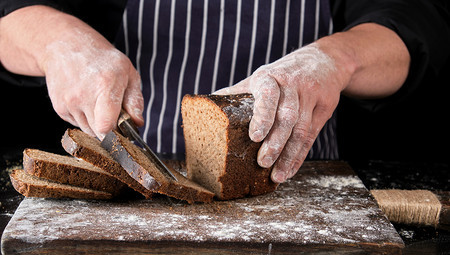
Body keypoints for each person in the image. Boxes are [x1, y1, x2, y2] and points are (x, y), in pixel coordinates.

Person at [0, 0, 449, 183]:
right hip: (133, 171)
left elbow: (416, 23)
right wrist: (56, 40)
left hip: (300, 182)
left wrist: (335, 60)